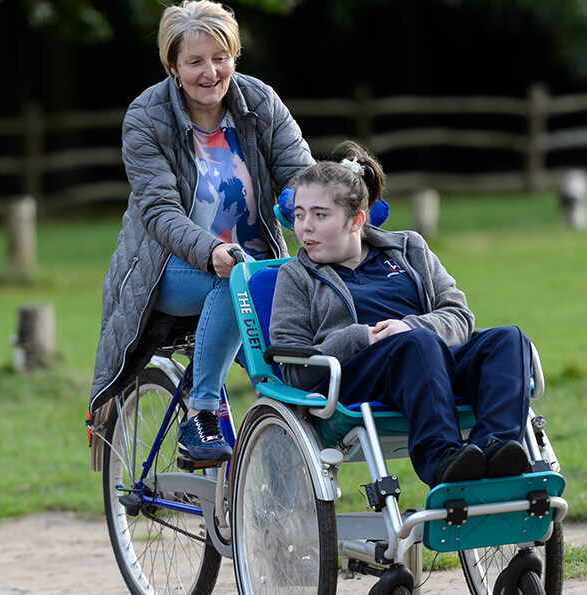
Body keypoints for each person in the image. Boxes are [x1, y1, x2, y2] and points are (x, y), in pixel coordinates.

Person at [89, 0, 314, 464]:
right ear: (173, 65)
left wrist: (307, 209)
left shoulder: (260, 103)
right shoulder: (147, 116)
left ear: (234, 56)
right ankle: (201, 413)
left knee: (298, 333)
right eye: (194, 61)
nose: (209, 72)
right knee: (231, 279)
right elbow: (160, 211)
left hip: (255, 263)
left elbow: (298, 175)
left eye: (220, 57)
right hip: (165, 268)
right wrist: (211, 249)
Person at [269, 142, 533, 488]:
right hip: (355, 379)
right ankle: (442, 459)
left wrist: (409, 326)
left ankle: (494, 448)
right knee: (416, 343)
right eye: (300, 214)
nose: (305, 227)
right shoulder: (295, 276)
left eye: (320, 215)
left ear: (356, 220)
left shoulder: (409, 248)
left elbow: (458, 314)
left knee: (508, 339)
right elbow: (293, 365)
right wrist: (360, 337)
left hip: (430, 362)